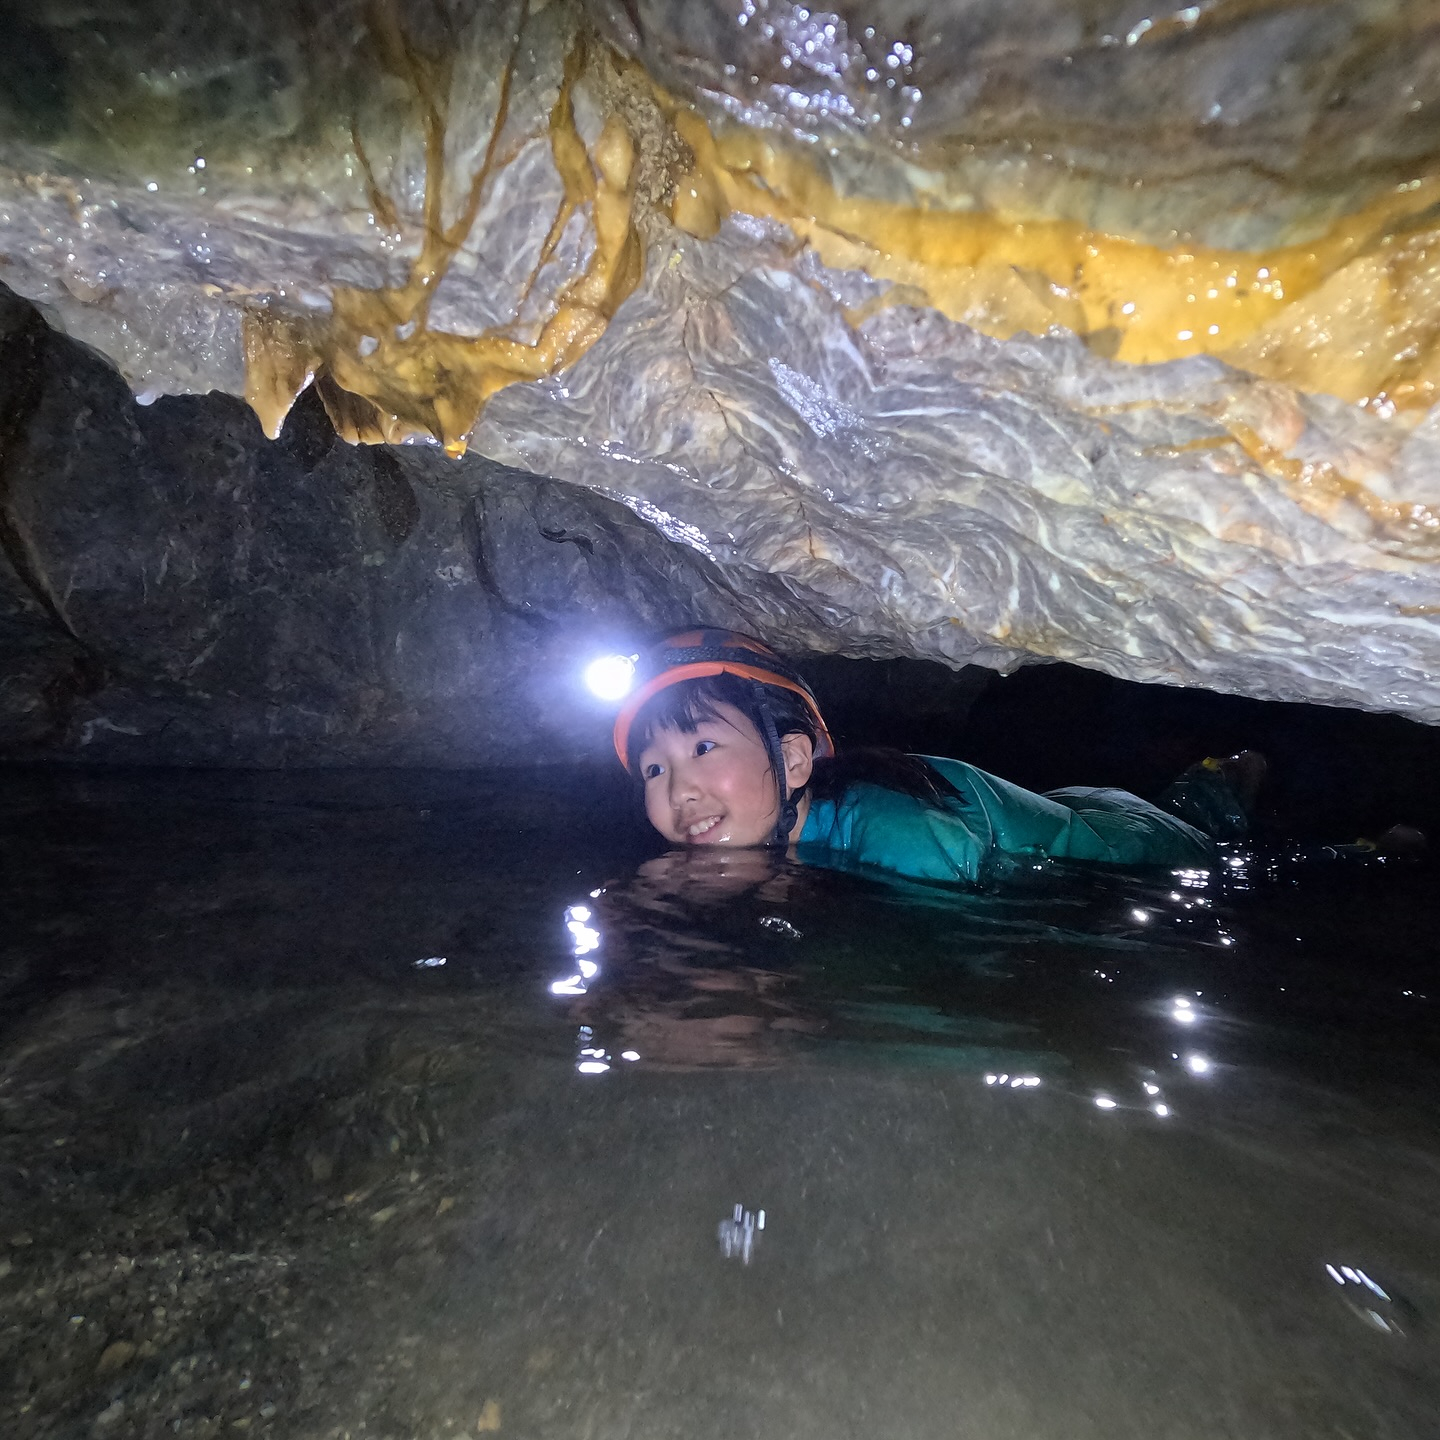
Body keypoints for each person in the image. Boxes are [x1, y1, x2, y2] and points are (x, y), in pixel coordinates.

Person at [610, 629, 1247, 885]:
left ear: (795, 762)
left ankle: (1227, 781)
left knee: (1220, 838)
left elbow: (974, 931)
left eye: (702, 746)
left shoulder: (895, 830)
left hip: (1129, 842)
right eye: (654, 768)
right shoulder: (784, 828)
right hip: (1063, 806)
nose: (679, 789)